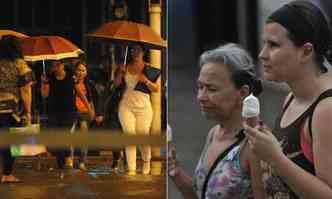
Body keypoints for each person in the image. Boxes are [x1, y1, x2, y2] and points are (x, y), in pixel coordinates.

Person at [244, 1, 332, 198]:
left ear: (306, 51)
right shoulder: (292, 97)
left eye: (273, 45)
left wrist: (275, 157)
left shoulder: (326, 109)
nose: (262, 54)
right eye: (264, 43)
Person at [168, 43, 266, 199]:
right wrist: (177, 174)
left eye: (212, 89)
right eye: (200, 87)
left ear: (242, 93)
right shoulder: (214, 133)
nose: (201, 97)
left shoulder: (256, 145)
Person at [41, 60, 94, 177]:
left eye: (58, 65)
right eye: (53, 65)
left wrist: (89, 108)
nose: (56, 67)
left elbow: (80, 93)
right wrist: (43, 83)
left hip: (69, 113)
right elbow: (45, 95)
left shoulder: (71, 77)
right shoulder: (49, 78)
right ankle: (62, 164)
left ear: (63, 65)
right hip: (54, 113)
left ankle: (66, 162)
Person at [118, 45, 159, 175]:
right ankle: (132, 168)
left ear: (143, 52)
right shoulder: (125, 67)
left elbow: (156, 89)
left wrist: (146, 81)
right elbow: (117, 84)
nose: (135, 53)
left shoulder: (150, 69)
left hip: (144, 107)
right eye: (132, 50)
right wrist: (120, 73)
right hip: (126, 105)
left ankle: (146, 161)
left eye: (138, 50)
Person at [0, 35, 33, 183]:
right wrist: (28, 111)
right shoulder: (21, 65)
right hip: (11, 109)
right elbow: (25, 91)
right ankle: (7, 173)